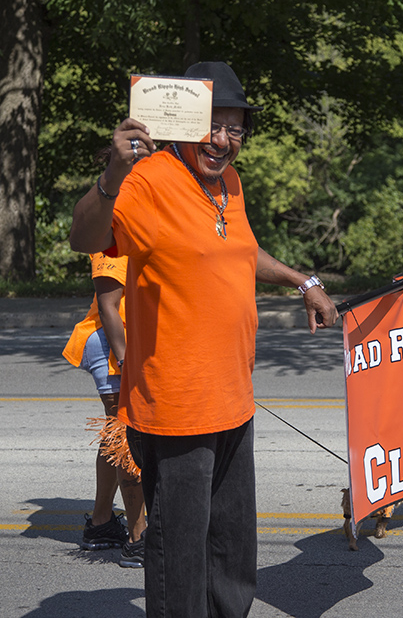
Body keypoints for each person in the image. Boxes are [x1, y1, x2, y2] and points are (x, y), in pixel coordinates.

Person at [68, 61, 339, 616]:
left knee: (232, 548)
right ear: (185, 122)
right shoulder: (146, 179)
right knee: (179, 552)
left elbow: (240, 250)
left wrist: (301, 280)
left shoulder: (228, 184)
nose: (222, 140)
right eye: (212, 125)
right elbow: (85, 236)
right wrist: (111, 177)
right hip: (176, 403)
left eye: (235, 128)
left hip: (232, 396)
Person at [63, 252, 147, 567]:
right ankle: (138, 537)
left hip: (134, 340)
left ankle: (100, 524)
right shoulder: (113, 230)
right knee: (126, 434)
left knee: (116, 433)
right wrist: (125, 358)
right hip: (115, 342)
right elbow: (106, 303)